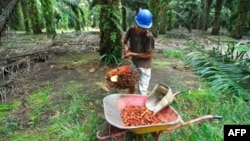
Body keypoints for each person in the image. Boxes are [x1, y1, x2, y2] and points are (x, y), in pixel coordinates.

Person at [123, 9, 155, 95]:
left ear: (148, 27)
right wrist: (126, 48)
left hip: (145, 66)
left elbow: (149, 55)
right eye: (139, 26)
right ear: (135, 23)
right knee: (131, 83)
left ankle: (141, 106)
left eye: (143, 28)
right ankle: (129, 101)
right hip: (134, 62)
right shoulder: (131, 30)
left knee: (142, 90)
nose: (140, 30)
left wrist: (131, 53)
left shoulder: (149, 37)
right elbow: (124, 41)